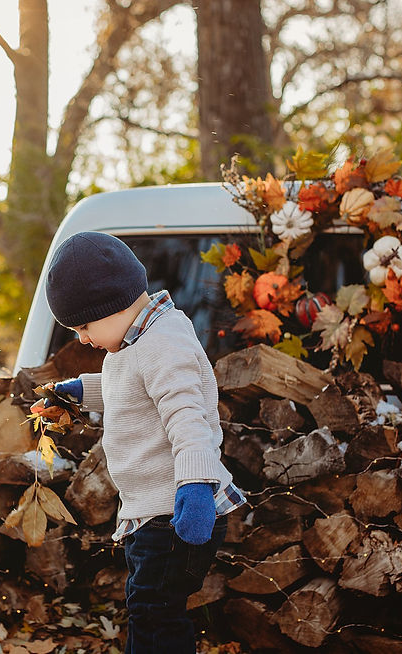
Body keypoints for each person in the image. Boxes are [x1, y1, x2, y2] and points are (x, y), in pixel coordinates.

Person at [44, 231, 246, 654]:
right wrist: (82, 390)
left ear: (110, 304)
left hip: (176, 509)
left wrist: (193, 488)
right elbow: (131, 388)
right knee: (148, 607)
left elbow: (185, 416)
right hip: (152, 512)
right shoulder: (134, 342)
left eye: (83, 326)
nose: (82, 338)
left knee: (155, 610)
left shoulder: (162, 342)